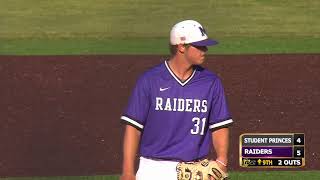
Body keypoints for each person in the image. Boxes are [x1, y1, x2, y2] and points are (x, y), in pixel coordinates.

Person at [120, 20, 233, 180]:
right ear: (181, 47)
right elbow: (133, 127)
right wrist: (128, 171)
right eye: (199, 46)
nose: (205, 50)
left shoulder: (211, 82)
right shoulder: (150, 80)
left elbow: (219, 126)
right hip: (153, 169)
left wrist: (222, 160)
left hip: (195, 170)